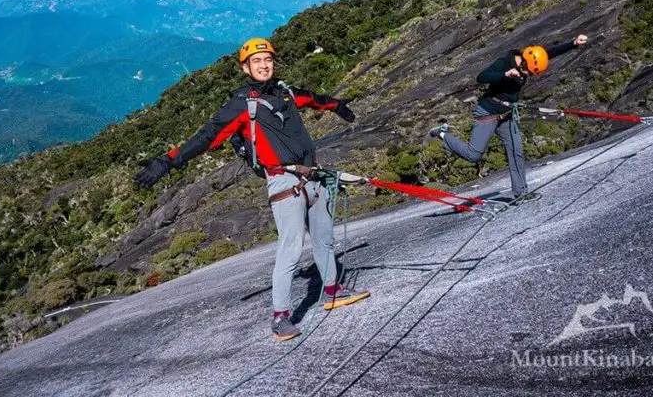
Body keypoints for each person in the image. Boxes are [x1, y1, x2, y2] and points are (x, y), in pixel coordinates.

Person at [134, 38, 370, 341]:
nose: (263, 65)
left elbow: (313, 99)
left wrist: (337, 105)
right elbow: (207, 137)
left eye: (267, 60)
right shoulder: (242, 104)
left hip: (314, 178)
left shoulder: (286, 93)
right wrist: (167, 161)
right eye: (256, 62)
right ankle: (280, 316)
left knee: (324, 240)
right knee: (291, 249)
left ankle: (333, 291)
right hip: (284, 182)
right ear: (245, 67)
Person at [428, 35, 589, 202]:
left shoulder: (532, 58)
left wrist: (573, 43)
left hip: (506, 115)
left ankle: (520, 193)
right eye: (528, 72)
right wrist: (505, 74)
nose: (527, 76)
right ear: (524, 62)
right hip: (488, 113)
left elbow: (550, 53)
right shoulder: (504, 63)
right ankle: (442, 134)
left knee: (516, 151)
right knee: (473, 155)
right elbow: (481, 77)